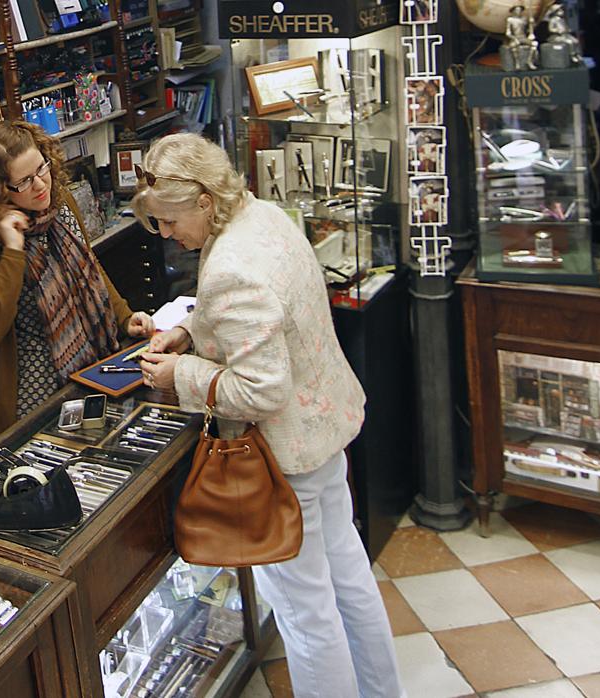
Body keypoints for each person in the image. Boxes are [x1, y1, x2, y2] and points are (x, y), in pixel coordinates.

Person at [135, 133, 402, 698]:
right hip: (324, 433)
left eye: (168, 220)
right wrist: (190, 331)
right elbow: (267, 318)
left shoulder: (231, 266)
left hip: (286, 459)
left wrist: (178, 375)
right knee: (350, 579)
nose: (166, 235)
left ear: (204, 200)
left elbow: (260, 390)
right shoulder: (260, 214)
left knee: (306, 616)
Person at [0, 121, 154, 435]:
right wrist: (13, 249)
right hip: (34, 392)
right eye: (24, 181)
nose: (40, 185)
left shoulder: (59, 203)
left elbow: (90, 268)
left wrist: (124, 316)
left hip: (94, 368)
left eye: (41, 168)